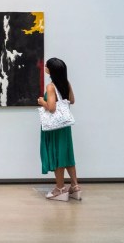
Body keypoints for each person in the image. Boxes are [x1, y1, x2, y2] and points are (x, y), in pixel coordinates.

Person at [37, 57, 80, 202]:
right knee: (67, 155)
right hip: (65, 126)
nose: (45, 66)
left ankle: (60, 189)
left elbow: (51, 108)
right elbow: (72, 100)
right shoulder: (66, 83)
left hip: (55, 127)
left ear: (51, 70)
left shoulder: (50, 87)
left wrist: (42, 101)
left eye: (47, 65)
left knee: (58, 155)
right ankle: (75, 187)